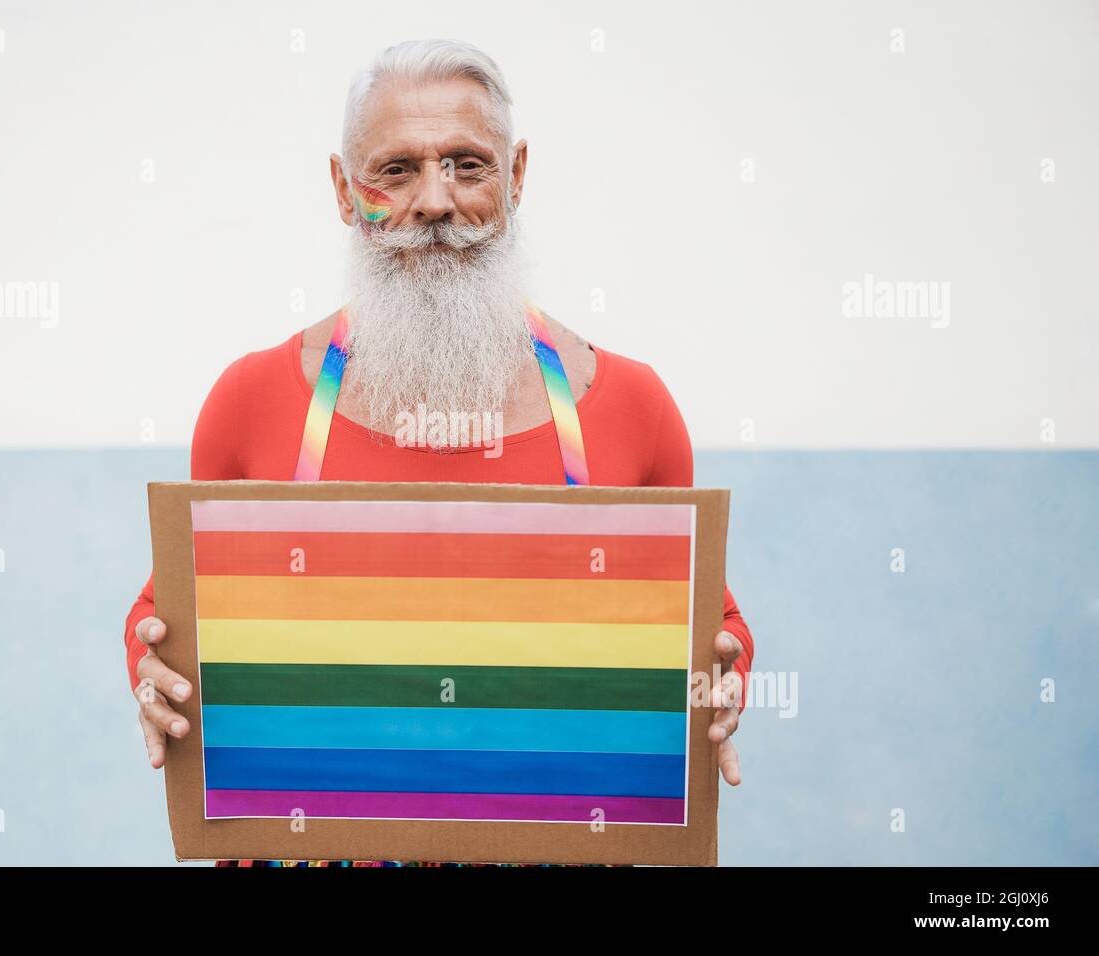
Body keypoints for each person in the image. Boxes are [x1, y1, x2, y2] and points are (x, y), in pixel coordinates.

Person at [124, 38, 754, 867]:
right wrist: (153, 673)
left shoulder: (635, 408)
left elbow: (715, 625)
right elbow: (167, 612)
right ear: (345, 192)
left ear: (518, 176)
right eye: (395, 170)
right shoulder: (249, 403)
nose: (434, 201)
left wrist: (724, 681)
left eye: (467, 164)